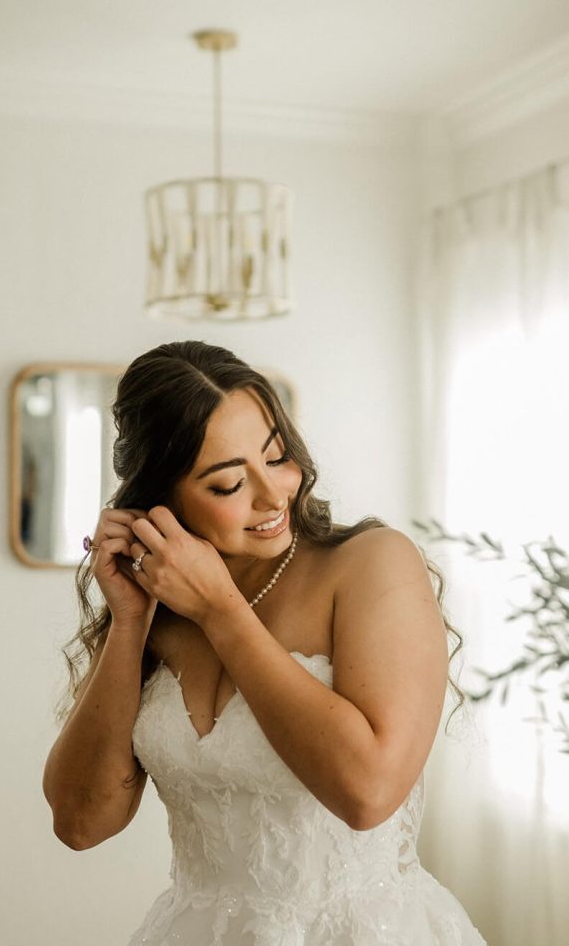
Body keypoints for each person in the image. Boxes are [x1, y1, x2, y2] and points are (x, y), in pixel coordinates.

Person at [43, 340, 486, 945]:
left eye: (277, 457)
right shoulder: (156, 612)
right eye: (228, 485)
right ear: (162, 500)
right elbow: (80, 822)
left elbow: (369, 793)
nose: (275, 494)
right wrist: (127, 624)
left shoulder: (371, 566)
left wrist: (221, 610)